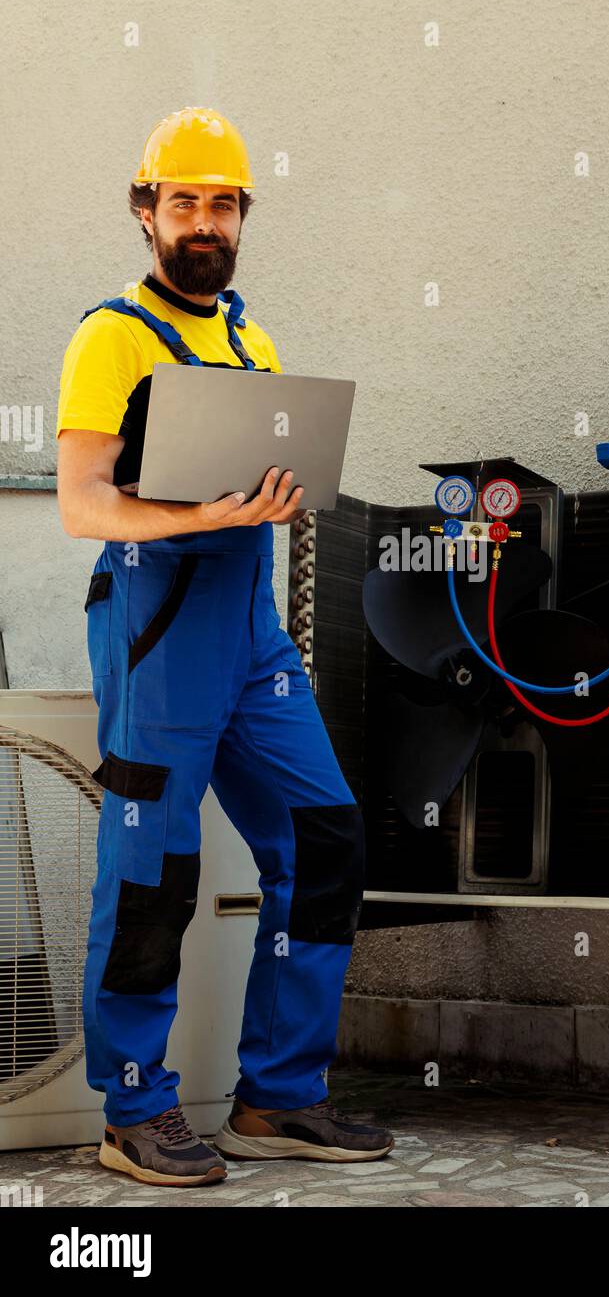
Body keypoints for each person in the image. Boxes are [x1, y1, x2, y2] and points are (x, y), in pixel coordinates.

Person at [55, 106, 393, 1187]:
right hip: (159, 626)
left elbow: (250, 491)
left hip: (251, 635)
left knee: (324, 836)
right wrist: (200, 516)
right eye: (184, 201)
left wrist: (275, 501)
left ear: (243, 217)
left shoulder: (253, 345)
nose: (204, 220)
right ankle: (133, 1106)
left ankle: (277, 1093)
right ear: (145, 213)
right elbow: (81, 504)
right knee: (155, 866)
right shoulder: (108, 335)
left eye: (223, 203)